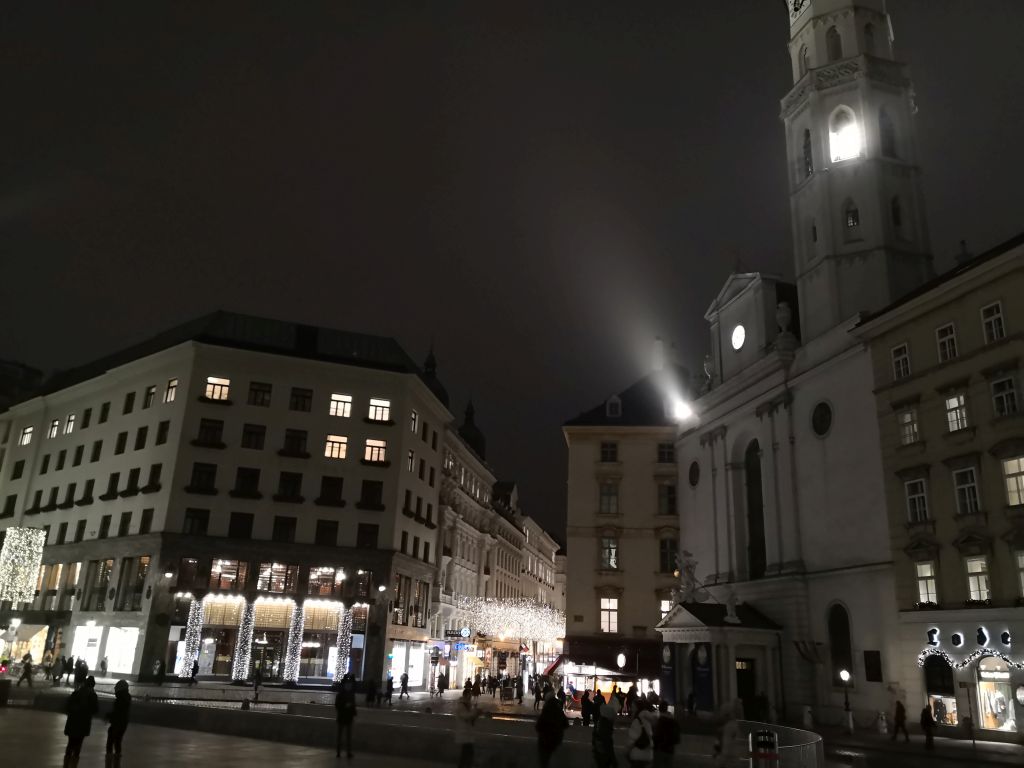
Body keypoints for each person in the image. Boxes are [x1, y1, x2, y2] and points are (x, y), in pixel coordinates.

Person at [64, 676, 99, 766]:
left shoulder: (77, 692)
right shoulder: (92, 695)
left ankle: (66, 762)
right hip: (83, 723)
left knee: (70, 743)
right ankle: (74, 763)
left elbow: (68, 706)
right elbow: (95, 709)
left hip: (73, 721)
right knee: (78, 744)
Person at [536, 689, 569, 768]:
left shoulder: (547, 709)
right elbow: (566, 724)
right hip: (557, 739)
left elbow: (539, 725)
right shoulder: (558, 708)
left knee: (544, 760)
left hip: (546, 740)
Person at [454, 688, 480, 768]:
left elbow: (470, 717)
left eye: (471, 695)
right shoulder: (461, 705)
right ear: (465, 695)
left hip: (467, 733)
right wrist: (476, 712)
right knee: (467, 754)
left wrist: (475, 712)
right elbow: (466, 716)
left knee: (466, 754)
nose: (470, 697)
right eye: (469, 695)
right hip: (464, 733)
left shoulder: (467, 705)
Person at [106, 679, 132, 759]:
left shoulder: (120, 698)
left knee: (111, 740)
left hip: (117, 722)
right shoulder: (126, 697)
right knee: (118, 741)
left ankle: (109, 758)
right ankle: (117, 758)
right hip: (123, 722)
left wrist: (109, 716)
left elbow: (117, 711)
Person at [592, 691, 618, 768]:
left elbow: (594, 736)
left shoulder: (600, 722)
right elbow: (607, 743)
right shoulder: (606, 725)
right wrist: (613, 760)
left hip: (599, 753)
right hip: (603, 754)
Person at [335, 673, 357, 759]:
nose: (349, 686)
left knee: (348, 736)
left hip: (348, 717)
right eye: (348, 685)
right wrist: (345, 705)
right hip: (342, 716)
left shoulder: (351, 695)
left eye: (350, 685)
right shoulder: (340, 694)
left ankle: (348, 752)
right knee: (341, 735)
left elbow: (353, 705)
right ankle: (339, 752)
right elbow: (337, 705)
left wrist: (352, 710)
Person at [652, 700, 681, 768]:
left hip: (659, 749)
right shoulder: (674, 721)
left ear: (659, 709)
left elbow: (656, 735)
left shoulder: (659, 721)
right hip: (670, 749)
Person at [627, 702, 656, 768]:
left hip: (637, 755)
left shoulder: (637, 721)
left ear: (637, 708)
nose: (631, 709)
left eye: (632, 707)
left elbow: (633, 738)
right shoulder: (648, 720)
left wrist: (627, 751)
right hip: (648, 755)